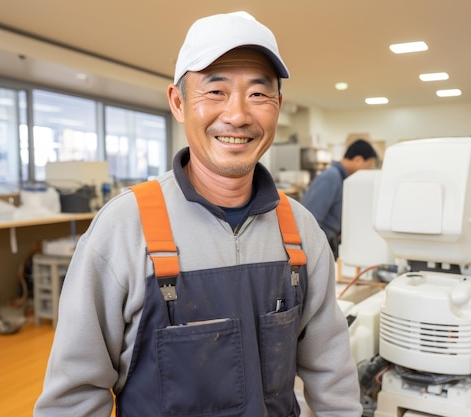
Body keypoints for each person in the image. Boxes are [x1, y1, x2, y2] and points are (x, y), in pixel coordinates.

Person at [34, 12, 362, 417]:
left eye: (259, 94)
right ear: (178, 102)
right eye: (216, 91)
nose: (238, 115)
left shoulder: (300, 231)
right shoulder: (124, 228)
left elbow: (333, 379)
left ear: (278, 105)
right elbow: (74, 399)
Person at [302, 139, 377, 259]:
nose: (367, 171)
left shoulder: (342, 178)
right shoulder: (331, 177)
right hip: (320, 245)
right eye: (368, 166)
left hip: (330, 241)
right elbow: (310, 218)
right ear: (358, 159)